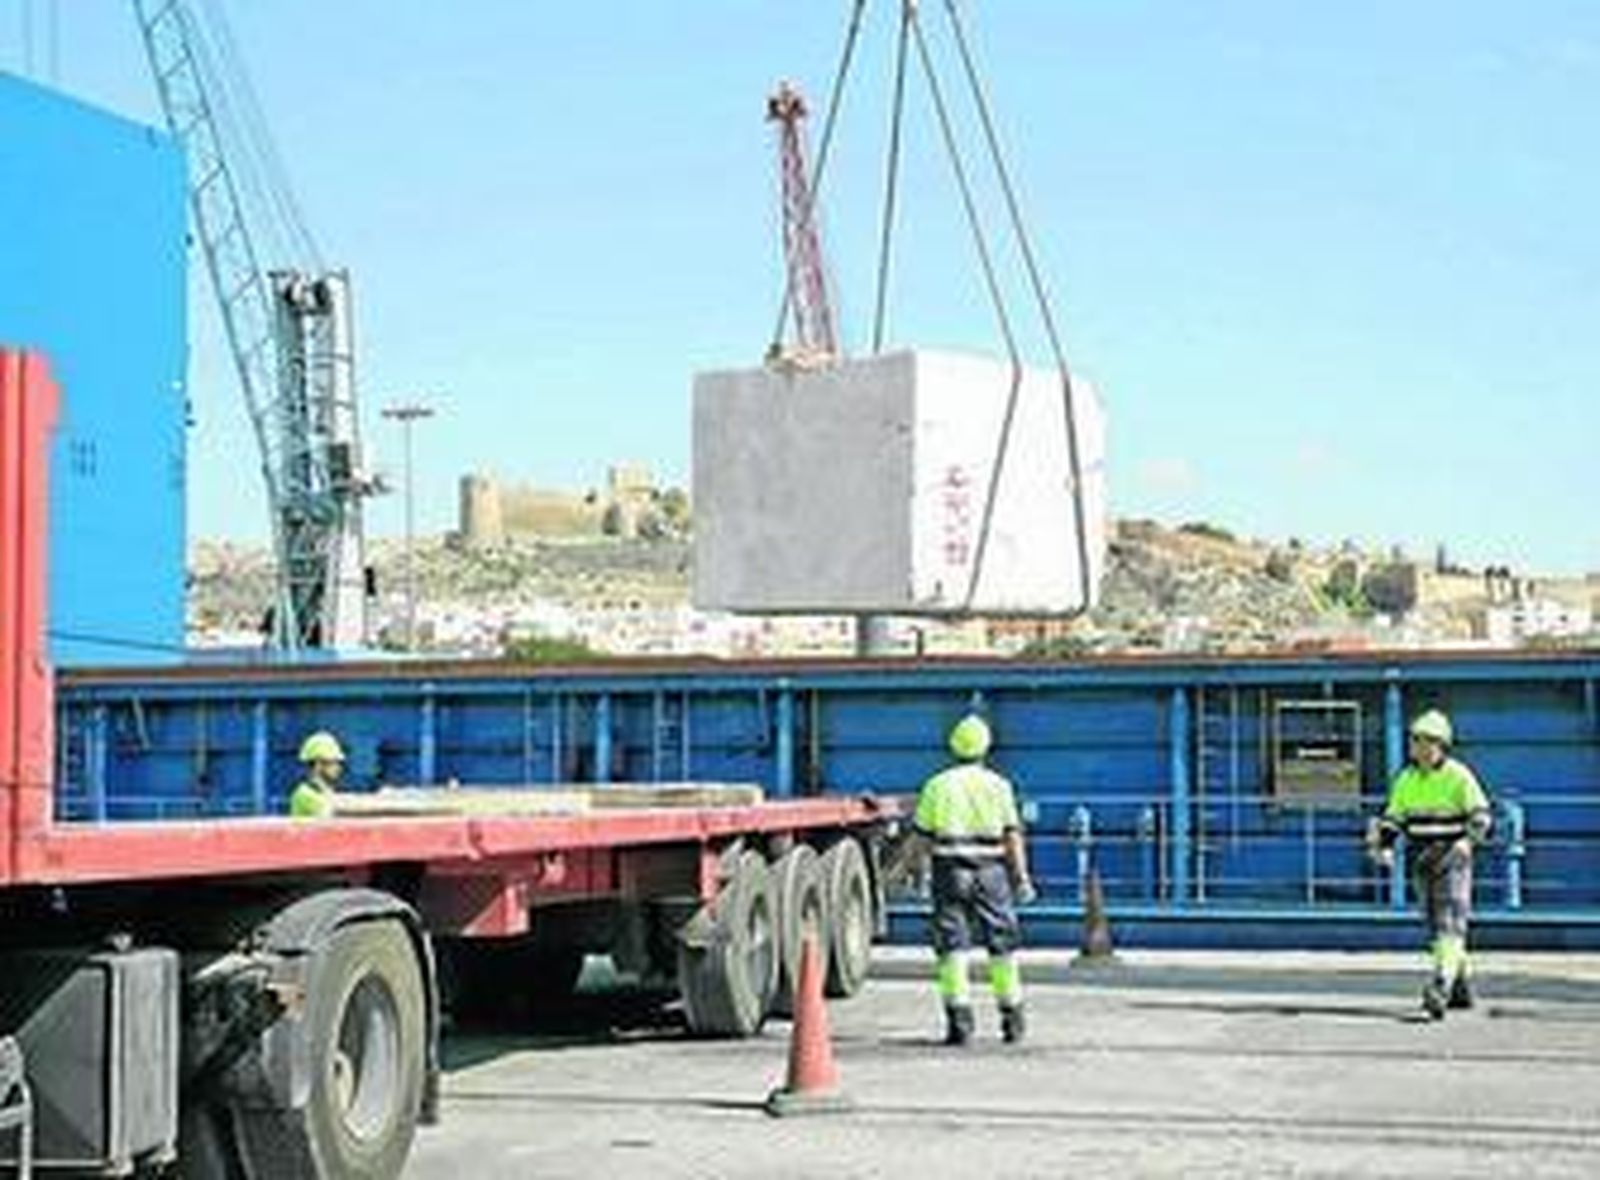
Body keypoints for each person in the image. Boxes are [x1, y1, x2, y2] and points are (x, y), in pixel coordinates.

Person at [909, 713, 1037, 1046]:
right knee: (1002, 945)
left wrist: (915, 873)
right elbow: (1012, 836)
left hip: (949, 870)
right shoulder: (999, 785)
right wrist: (1021, 878)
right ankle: (1012, 1019)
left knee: (952, 947)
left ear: (953, 746)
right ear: (986, 747)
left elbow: (921, 837)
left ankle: (959, 1022)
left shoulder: (937, 785)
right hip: (991, 870)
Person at [1368, 709, 1492, 1019]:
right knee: (1436, 925)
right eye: (1416, 741)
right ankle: (1459, 985)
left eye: (1427, 742)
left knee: (1449, 921)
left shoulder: (1458, 776)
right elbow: (1394, 818)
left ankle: (1439, 988)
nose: (1420, 747)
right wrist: (1384, 846)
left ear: (1442, 746)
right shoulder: (1406, 780)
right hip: (1420, 859)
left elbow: (1480, 815)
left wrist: (1467, 842)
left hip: (1452, 857)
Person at [290, 730, 345, 819]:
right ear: (318, 765)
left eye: (339, 763)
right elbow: (332, 814)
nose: (338, 768)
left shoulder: (324, 791)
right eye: (333, 763)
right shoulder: (305, 793)